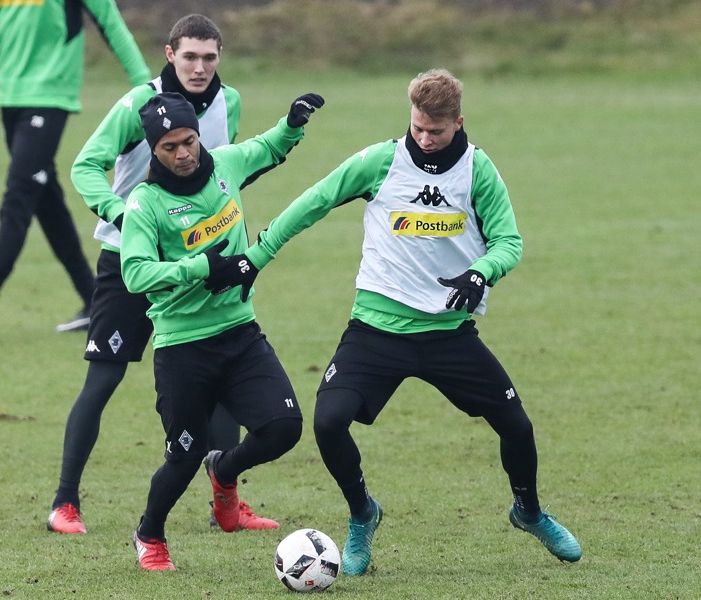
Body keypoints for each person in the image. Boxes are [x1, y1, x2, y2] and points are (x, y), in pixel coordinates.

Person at [208, 69, 582, 575]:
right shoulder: (382, 160)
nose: (425, 140)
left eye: (437, 131)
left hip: (448, 332)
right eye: (418, 128)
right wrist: (258, 255)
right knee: (328, 421)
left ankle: (529, 512)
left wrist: (482, 271)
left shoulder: (478, 171)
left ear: (459, 123)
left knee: (516, 426)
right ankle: (363, 513)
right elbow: (314, 202)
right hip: (376, 329)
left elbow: (509, 242)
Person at [46, 15, 282, 535]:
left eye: (209, 57)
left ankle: (227, 504)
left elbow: (219, 175)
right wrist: (124, 215)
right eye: (189, 56)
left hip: (201, 267)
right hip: (132, 266)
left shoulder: (231, 103)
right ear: (170, 53)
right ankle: (65, 502)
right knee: (104, 377)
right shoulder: (137, 103)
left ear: (220, 56)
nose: (199, 67)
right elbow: (86, 165)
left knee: (222, 380)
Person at [120, 91, 324, 570]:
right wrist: (199, 268)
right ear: (154, 151)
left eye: (188, 141)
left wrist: (292, 122)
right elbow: (135, 273)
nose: (183, 153)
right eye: (169, 147)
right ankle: (149, 534)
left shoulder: (227, 165)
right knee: (182, 455)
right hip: (182, 347)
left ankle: (225, 471)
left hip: (239, 334)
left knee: (283, 428)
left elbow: (270, 148)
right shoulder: (146, 202)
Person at [0, 0, 150, 338]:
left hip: (51, 95)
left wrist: (145, 85)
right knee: (46, 201)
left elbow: (110, 23)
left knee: (18, 197)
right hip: (10, 99)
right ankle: (93, 299)